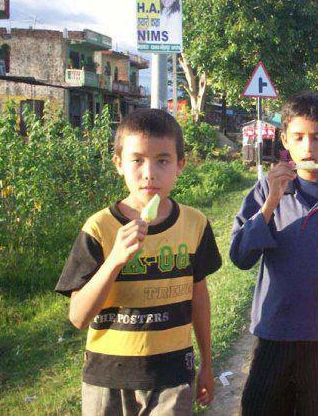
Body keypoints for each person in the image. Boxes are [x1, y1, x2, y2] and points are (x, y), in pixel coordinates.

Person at [55, 109, 221, 415]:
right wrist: (114, 260)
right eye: (137, 160)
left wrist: (207, 364)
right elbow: (78, 317)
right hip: (107, 377)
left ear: (180, 165)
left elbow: (199, 297)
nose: (149, 173)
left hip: (172, 373)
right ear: (118, 164)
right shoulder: (99, 228)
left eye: (163, 160)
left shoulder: (195, 224)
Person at [230, 92, 318, 415]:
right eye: (298, 137)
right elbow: (240, 257)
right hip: (274, 330)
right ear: (285, 140)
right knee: (258, 408)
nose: (308, 147)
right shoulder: (267, 190)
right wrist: (270, 204)